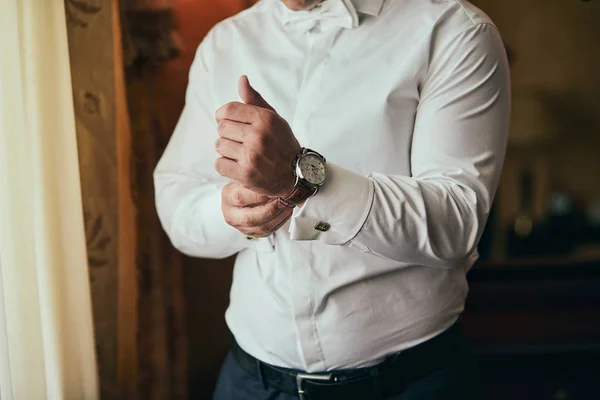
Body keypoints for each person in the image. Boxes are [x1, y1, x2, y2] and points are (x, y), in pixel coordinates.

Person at [154, 0, 510, 398]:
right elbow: (176, 199)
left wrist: (301, 178)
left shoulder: (454, 30)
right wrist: (230, 211)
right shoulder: (225, 42)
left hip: (410, 384)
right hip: (251, 383)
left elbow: (456, 224)